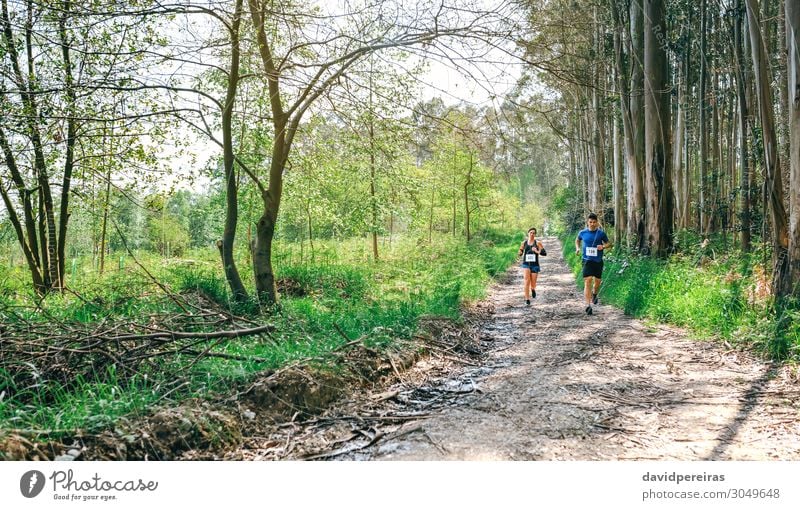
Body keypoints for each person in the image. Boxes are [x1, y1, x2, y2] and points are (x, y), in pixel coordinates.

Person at [575, 213, 611, 315]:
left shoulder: (601, 233)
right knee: (588, 281)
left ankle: (594, 294)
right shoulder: (582, 232)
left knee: (597, 282)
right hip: (586, 260)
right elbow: (577, 240)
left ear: (597, 223)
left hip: (598, 261)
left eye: (594, 222)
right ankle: (588, 305)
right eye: (590, 222)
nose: (592, 224)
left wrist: (603, 247)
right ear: (587, 222)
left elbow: (609, 244)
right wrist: (577, 248)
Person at [518, 227, 545, 306]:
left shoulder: (538, 243)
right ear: (528, 233)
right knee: (526, 281)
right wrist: (519, 253)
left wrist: (537, 251)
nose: (532, 234)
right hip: (526, 264)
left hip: (535, 265)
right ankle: (527, 299)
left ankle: (533, 289)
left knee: (533, 283)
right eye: (531, 232)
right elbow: (521, 251)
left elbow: (544, 253)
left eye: (534, 233)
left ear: (535, 234)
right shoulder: (524, 243)